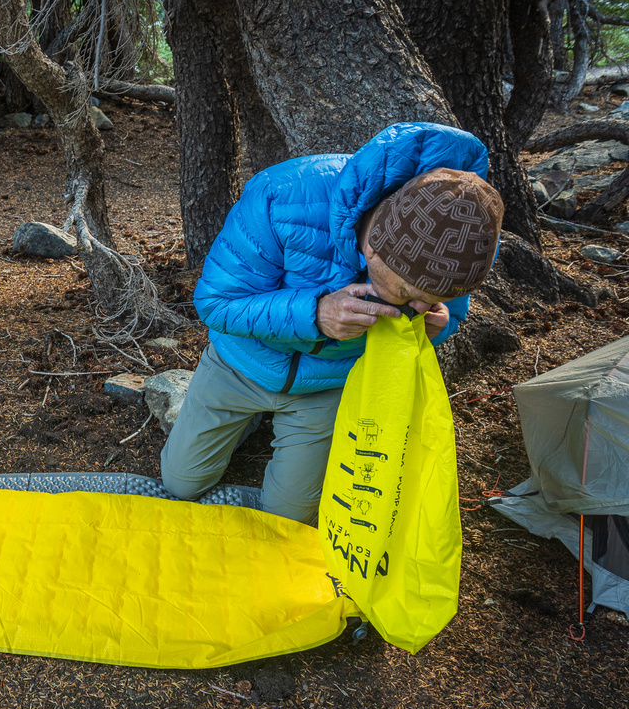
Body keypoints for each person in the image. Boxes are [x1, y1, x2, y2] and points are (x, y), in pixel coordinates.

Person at [160, 122, 505, 525]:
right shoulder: (283, 196)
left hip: (328, 386)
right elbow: (216, 303)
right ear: (373, 246)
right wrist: (316, 314)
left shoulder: (464, 233)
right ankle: (247, 420)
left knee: (287, 518)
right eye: (410, 295)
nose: (418, 307)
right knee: (181, 485)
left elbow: (452, 313)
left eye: (430, 300)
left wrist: (440, 325)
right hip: (240, 364)